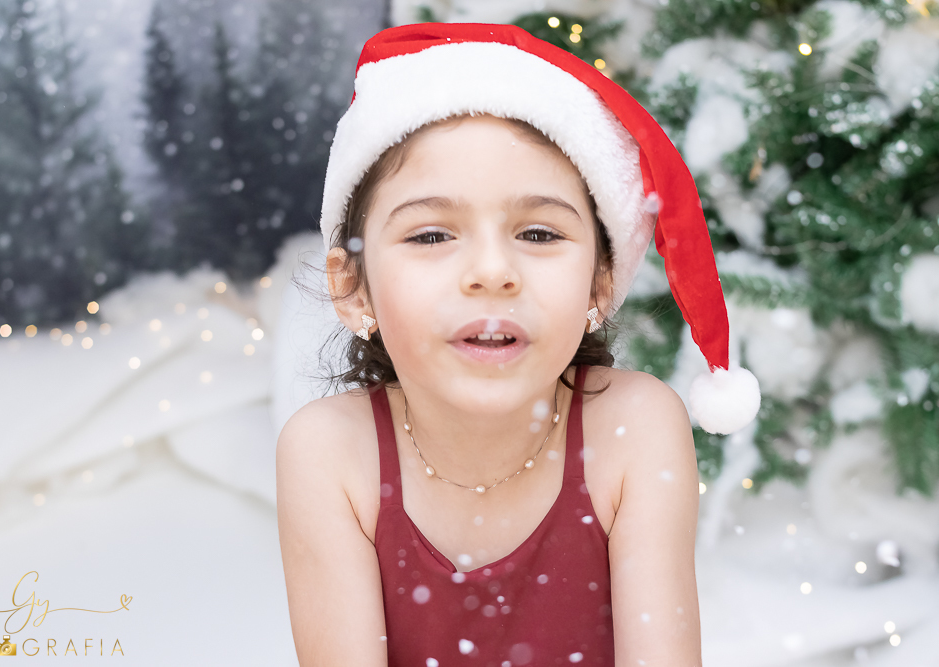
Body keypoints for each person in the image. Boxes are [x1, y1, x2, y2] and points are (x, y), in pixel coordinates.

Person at [276, 22, 761, 667]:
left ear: (602, 279)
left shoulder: (634, 429)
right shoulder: (330, 452)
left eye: (537, 234)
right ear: (354, 288)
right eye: (430, 236)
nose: (491, 272)